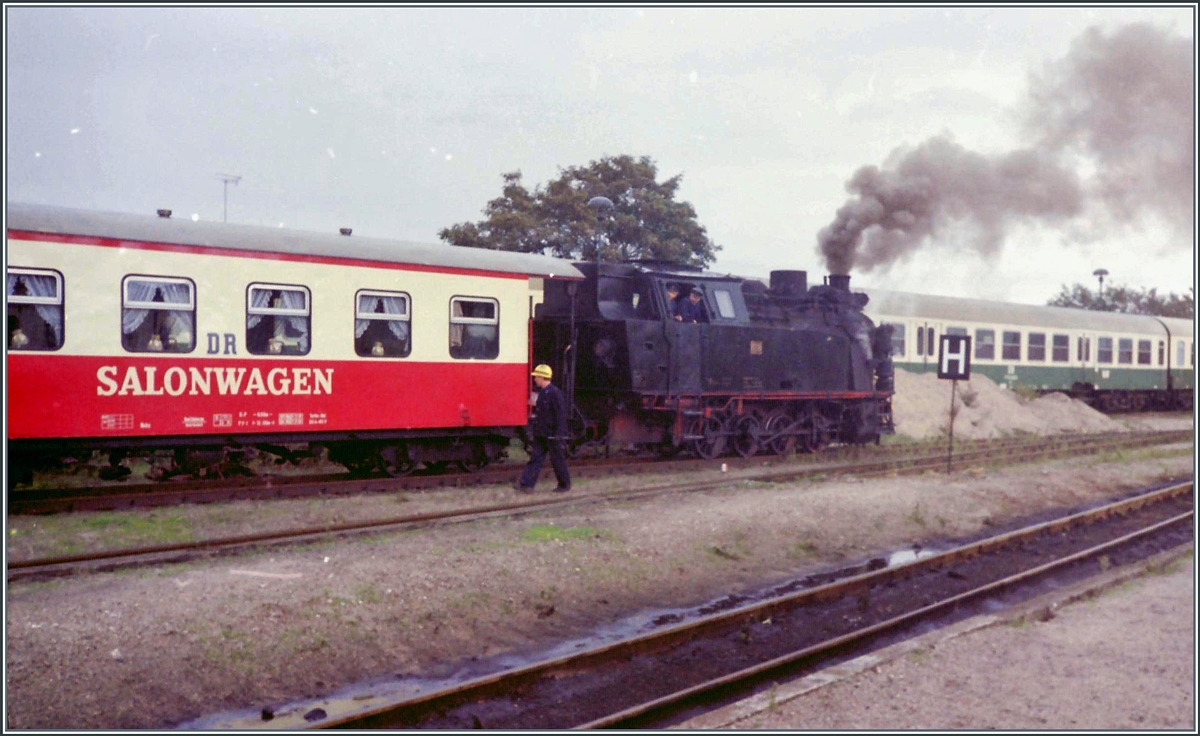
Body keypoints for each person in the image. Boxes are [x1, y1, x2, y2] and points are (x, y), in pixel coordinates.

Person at [514, 364, 571, 493]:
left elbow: (560, 415)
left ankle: (564, 484)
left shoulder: (555, 393)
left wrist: (559, 434)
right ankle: (526, 484)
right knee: (535, 458)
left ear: (542, 377)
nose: (535, 379)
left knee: (557, 460)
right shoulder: (543, 393)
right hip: (542, 433)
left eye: (536, 377)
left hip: (552, 434)